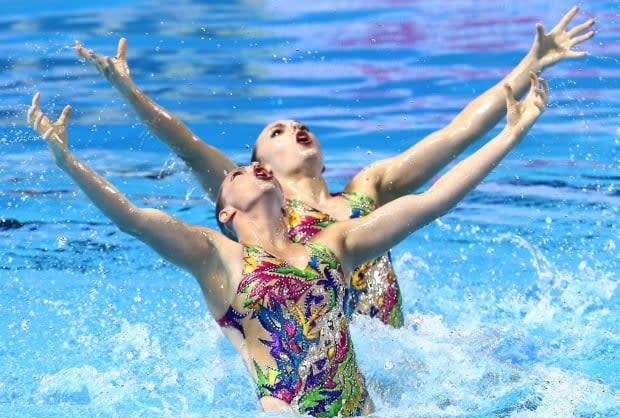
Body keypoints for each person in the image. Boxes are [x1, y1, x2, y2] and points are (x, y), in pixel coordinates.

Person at [27, 70, 547, 417]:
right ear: (225, 209)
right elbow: (134, 218)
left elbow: (435, 200)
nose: (250, 167)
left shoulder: (336, 244)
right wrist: (69, 163)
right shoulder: (218, 257)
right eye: (237, 171)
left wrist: (510, 136)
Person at [74, 6, 592, 328]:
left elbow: (456, 134)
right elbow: (186, 145)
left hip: (392, 353)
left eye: (300, 125)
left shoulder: (369, 187)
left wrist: (530, 67)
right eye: (274, 132)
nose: (294, 129)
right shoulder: (257, 202)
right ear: (259, 167)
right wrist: (129, 92)